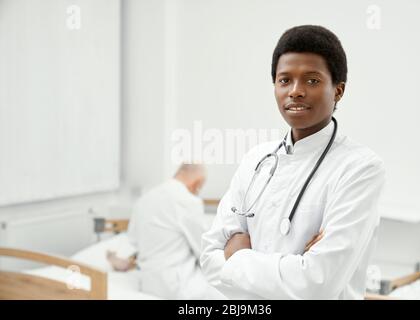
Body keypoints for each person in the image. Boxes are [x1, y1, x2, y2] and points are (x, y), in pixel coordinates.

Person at [200, 25, 386, 299]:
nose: (295, 91)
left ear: (338, 90)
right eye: (284, 80)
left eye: (311, 80)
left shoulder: (360, 168)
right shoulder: (256, 161)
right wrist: (294, 265)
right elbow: (209, 259)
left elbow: (317, 285)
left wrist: (237, 257)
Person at [126, 164, 225, 299]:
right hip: (176, 286)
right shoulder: (188, 201)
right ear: (198, 183)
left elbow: (133, 241)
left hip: (147, 283)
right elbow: (203, 249)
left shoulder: (143, 200)